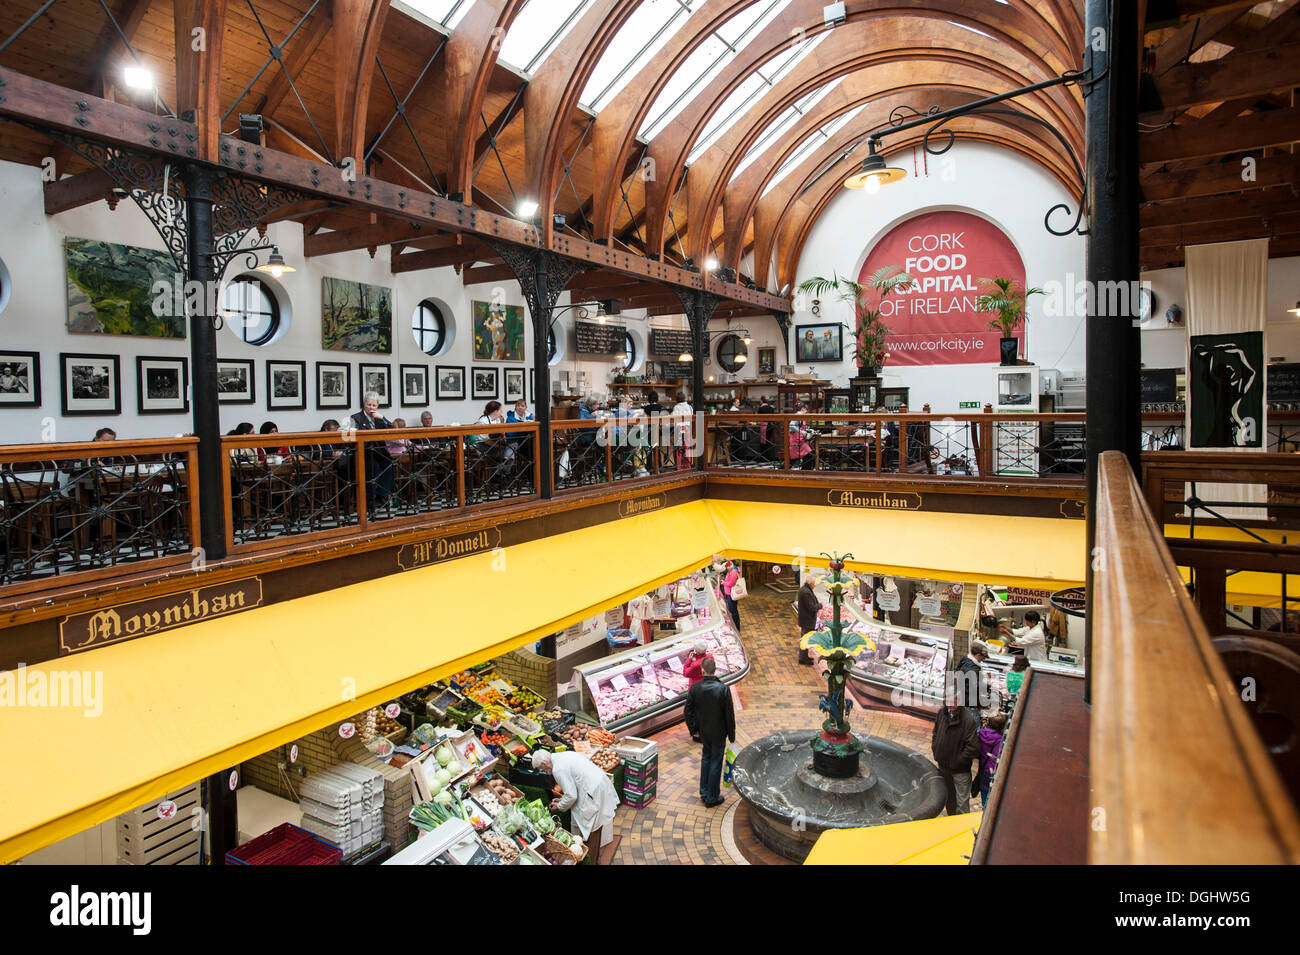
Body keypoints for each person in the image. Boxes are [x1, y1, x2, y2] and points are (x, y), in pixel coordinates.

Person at [530, 749, 618, 864]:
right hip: (597, 786)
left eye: (542, 769)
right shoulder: (562, 755)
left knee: (594, 830)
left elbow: (571, 795)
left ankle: (592, 860)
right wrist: (562, 800)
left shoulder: (558, 769)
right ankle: (588, 857)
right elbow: (573, 786)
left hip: (593, 792)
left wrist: (559, 806)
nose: (545, 771)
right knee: (593, 826)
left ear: (544, 763)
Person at [684, 657, 736, 808]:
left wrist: (694, 730)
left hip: (703, 732)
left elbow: (688, 711)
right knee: (716, 762)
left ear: (702, 670)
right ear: (715, 670)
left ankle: (704, 791)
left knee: (706, 758)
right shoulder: (723, 689)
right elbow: (729, 715)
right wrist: (731, 735)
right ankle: (712, 798)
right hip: (719, 732)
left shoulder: (695, 688)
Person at [931, 692, 980, 816]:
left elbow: (972, 747)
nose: (949, 705)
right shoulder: (942, 713)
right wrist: (936, 748)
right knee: (949, 798)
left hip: (960, 770)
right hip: (943, 766)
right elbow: (936, 732)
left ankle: (963, 829)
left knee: (962, 803)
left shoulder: (968, 720)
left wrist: (958, 761)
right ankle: (951, 822)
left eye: (952, 703)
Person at [349, 393, 395, 509]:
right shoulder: (356, 418)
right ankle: (370, 498)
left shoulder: (379, 418)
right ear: (364, 404)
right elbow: (350, 438)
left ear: (377, 406)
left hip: (379, 452)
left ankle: (381, 494)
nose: (371, 408)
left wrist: (383, 418)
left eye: (374, 405)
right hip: (363, 454)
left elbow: (392, 430)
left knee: (391, 464)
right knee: (373, 467)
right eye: (369, 405)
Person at [974, 713, 1006, 808]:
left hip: (983, 769)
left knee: (984, 795)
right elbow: (997, 756)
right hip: (992, 773)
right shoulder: (1000, 740)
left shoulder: (981, 733)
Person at [955, 640, 990, 711]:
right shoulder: (972, 670)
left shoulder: (965, 660)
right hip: (969, 703)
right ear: (978, 655)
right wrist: (988, 684)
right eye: (983, 657)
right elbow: (975, 689)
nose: (983, 659)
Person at [797, 575, 820, 665]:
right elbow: (811, 607)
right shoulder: (806, 592)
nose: (814, 586)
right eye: (814, 584)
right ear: (811, 584)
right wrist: (820, 606)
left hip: (805, 619)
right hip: (807, 620)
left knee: (805, 638)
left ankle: (804, 657)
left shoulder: (805, 589)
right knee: (805, 639)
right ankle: (803, 659)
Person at [671, 390, 693, 470]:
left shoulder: (676, 407)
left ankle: (679, 466)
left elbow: (672, 419)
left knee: (678, 448)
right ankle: (687, 465)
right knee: (686, 447)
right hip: (687, 428)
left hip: (679, 429)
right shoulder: (689, 407)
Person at [789, 401, 814, 469]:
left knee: (807, 455)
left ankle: (804, 471)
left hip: (799, 441)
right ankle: (805, 471)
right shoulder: (798, 415)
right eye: (806, 410)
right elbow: (791, 426)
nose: (806, 412)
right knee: (808, 454)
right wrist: (801, 432)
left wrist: (805, 431)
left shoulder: (800, 416)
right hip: (796, 441)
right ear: (803, 409)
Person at [721, 560, 742, 630]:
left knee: (734, 610)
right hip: (729, 593)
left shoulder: (733, 572)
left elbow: (731, 583)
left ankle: (737, 627)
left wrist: (724, 583)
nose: (726, 568)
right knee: (732, 610)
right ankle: (735, 625)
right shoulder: (730, 572)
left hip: (731, 594)